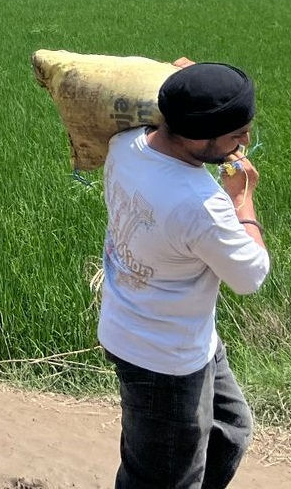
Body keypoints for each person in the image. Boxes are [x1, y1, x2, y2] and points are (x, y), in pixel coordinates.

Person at [99, 61, 270, 489]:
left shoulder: (125, 143)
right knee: (161, 478)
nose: (245, 141)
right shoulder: (201, 205)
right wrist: (243, 200)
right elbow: (251, 276)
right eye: (236, 135)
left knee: (229, 430)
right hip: (164, 360)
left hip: (172, 335)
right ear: (196, 136)